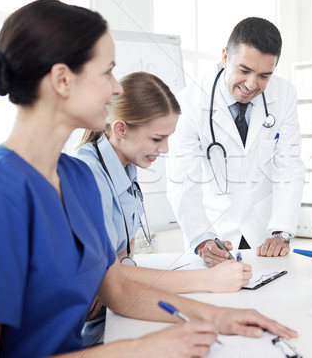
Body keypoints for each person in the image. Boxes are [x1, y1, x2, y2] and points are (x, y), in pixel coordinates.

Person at [0, 0, 296, 358]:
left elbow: (121, 293)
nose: (116, 89)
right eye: (108, 72)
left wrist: (219, 316)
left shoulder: (77, 178)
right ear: (63, 79)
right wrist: (142, 349)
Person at [73, 71, 252, 346]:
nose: (166, 149)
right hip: (88, 328)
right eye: (157, 139)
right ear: (121, 129)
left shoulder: (125, 166)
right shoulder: (89, 176)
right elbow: (113, 277)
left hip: (114, 312)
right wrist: (208, 280)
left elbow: (121, 258)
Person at [167, 17, 304, 266]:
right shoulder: (190, 100)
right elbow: (182, 179)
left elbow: (290, 165)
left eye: (264, 75)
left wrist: (282, 231)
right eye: (244, 70)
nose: (251, 84)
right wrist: (201, 238)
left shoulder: (284, 95)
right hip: (213, 229)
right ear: (225, 57)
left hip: (264, 230)